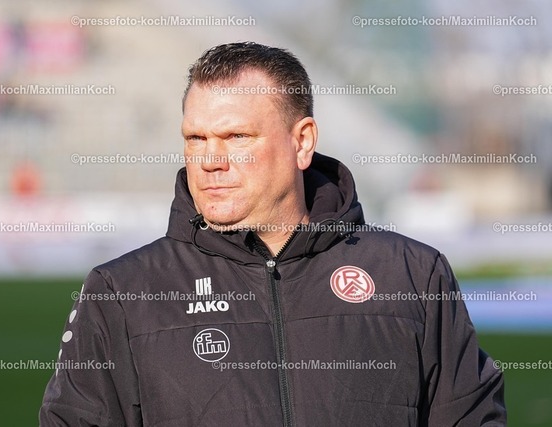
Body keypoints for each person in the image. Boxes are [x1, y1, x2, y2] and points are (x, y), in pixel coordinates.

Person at [40, 42, 506, 426]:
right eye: (196, 139)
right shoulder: (122, 291)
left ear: (302, 142)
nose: (210, 161)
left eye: (236, 138)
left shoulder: (413, 275)